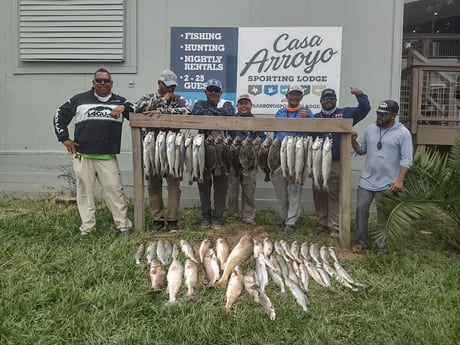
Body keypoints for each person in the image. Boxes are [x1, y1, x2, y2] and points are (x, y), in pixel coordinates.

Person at [53, 68, 133, 239]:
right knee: (84, 193)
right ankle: (87, 228)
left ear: (111, 83)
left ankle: (124, 226)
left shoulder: (119, 100)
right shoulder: (79, 99)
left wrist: (123, 107)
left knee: (115, 190)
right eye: (99, 80)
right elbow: (59, 114)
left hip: (107, 156)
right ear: (93, 82)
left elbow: (136, 110)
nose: (102, 83)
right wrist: (64, 138)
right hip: (83, 155)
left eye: (106, 81)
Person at [351, 100, 413, 255]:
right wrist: (353, 141)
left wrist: (400, 180)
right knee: (360, 211)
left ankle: (381, 247)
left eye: (383, 114)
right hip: (367, 180)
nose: (379, 116)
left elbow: (407, 159)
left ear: (394, 115)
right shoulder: (371, 129)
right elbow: (361, 150)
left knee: (383, 216)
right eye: (378, 113)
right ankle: (360, 241)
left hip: (388, 183)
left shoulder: (403, 133)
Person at [134, 70, 190, 232]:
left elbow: (187, 111)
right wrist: (161, 101)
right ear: (160, 84)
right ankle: (157, 219)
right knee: (153, 184)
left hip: (173, 147)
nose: (170, 90)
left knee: (174, 185)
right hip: (152, 148)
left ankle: (172, 220)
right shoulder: (148, 97)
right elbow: (138, 108)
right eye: (167, 86)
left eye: (173, 86)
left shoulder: (179, 100)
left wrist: (162, 111)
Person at [312, 87, 371, 238]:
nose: (328, 101)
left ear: (335, 100)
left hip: (336, 161)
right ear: (321, 102)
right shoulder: (315, 117)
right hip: (318, 161)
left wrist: (360, 95)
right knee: (318, 191)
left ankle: (334, 226)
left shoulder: (345, 113)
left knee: (334, 193)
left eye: (331, 98)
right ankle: (321, 222)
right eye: (325, 99)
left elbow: (364, 109)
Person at [191, 79, 235, 230]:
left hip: (223, 152)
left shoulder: (227, 104)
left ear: (221, 92)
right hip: (203, 151)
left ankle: (217, 217)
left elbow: (229, 113)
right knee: (204, 187)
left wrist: (209, 113)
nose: (213, 93)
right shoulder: (199, 104)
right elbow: (196, 112)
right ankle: (205, 217)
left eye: (216, 90)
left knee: (221, 189)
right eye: (210, 90)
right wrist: (217, 114)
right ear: (205, 92)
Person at [272, 85, 313, 232]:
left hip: (299, 156)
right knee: (281, 191)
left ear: (301, 97)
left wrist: (306, 119)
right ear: (287, 96)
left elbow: (312, 133)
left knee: (295, 190)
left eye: (298, 95)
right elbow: (275, 135)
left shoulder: (307, 113)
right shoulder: (280, 112)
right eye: (292, 94)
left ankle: (291, 222)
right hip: (282, 155)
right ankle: (283, 217)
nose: (295, 97)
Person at [227, 94, 266, 225]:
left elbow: (263, 139)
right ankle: (232, 215)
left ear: (251, 105)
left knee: (249, 190)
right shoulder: (231, 121)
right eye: (241, 103)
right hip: (234, 161)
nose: (243, 106)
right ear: (237, 106)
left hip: (250, 163)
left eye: (246, 103)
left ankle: (248, 217)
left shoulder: (256, 122)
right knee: (232, 190)